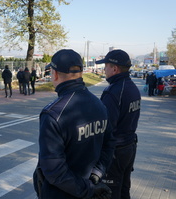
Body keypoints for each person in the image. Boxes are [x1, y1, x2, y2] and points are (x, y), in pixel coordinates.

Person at [33, 49, 115, 199]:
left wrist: (88, 189)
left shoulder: (53, 114)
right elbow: (109, 145)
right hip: (90, 187)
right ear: (81, 73)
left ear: (55, 74)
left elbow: (54, 171)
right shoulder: (100, 105)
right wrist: (95, 177)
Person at [95, 49, 141, 199]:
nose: (104, 69)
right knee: (123, 189)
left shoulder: (113, 92)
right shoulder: (132, 87)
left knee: (110, 193)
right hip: (129, 147)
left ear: (114, 68)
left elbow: (105, 128)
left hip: (115, 153)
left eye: (106, 66)